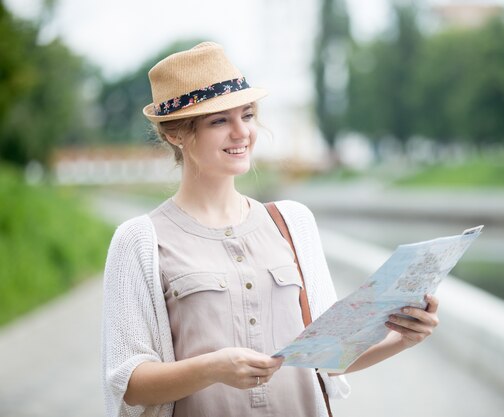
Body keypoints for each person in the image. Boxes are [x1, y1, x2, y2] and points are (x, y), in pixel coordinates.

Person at [101, 41, 440, 417]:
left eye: (246, 115)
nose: (241, 132)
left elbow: (329, 354)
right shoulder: (139, 241)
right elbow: (128, 383)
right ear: (175, 134)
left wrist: (401, 338)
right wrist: (213, 368)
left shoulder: (293, 223)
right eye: (219, 121)